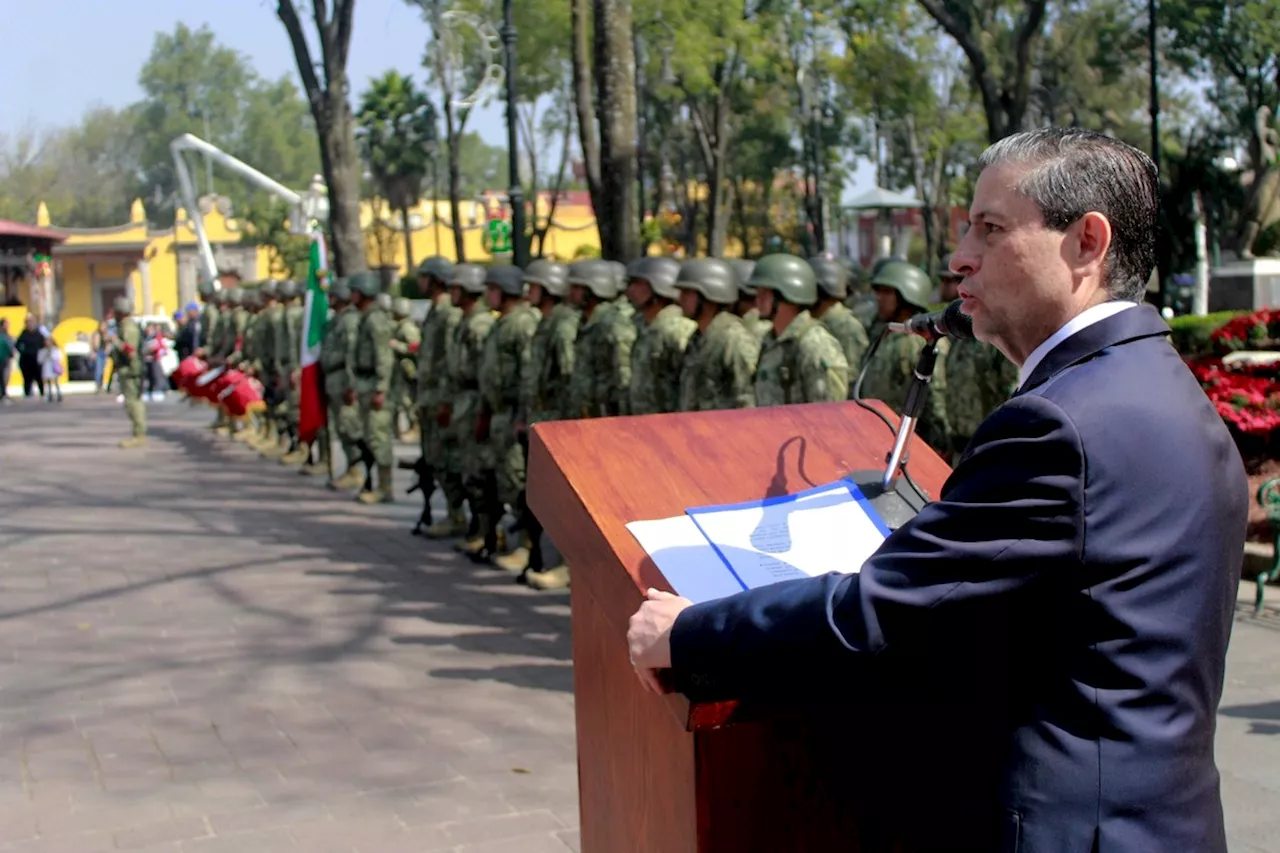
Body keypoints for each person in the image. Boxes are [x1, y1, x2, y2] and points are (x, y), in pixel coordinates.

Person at [627, 128, 1248, 852]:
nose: (959, 258)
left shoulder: (1058, 425)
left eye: (990, 228)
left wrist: (689, 630)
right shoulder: (1165, 387)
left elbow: (876, 610)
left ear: (1088, 242)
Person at [750, 254, 849, 406]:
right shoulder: (770, 340)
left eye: (765, 293)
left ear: (785, 295)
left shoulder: (815, 344)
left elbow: (829, 413)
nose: (757, 299)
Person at [627, 256, 696, 416]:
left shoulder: (678, 329)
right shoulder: (644, 326)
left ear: (659, 286)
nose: (630, 290)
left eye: (638, 283)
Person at [349, 272, 395, 503]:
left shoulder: (375, 320)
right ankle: (375, 483)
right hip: (366, 382)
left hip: (375, 385)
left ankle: (385, 487)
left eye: (354, 291)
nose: (351, 296)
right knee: (369, 436)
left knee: (379, 438)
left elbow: (383, 356)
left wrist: (381, 389)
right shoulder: (365, 317)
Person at [111, 298, 146, 448]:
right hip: (127, 369)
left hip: (131, 370)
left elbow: (130, 350)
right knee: (131, 402)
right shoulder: (124, 326)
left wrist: (115, 341)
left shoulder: (128, 328)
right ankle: (138, 432)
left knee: (133, 403)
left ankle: (139, 434)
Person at [15, 314, 44, 398]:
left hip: (36, 360)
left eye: (32, 322)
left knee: (39, 378)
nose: (30, 324)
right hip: (25, 360)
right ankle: (27, 394)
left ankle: (42, 393)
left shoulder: (38, 334)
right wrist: (23, 351)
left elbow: (43, 344)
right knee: (27, 379)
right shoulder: (23, 334)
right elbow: (17, 345)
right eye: (28, 322)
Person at [38, 336, 64, 403]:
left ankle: (59, 394)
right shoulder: (42, 350)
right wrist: (46, 355)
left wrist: (51, 354)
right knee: (48, 382)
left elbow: (58, 357)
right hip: (47, 368)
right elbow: (39, 360)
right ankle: (49, 394)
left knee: (56, 382)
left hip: (54, 368)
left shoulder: (55, 350)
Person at [0, 318, 14, 403]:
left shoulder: (6, 335)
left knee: (3, 376)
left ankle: (3, 392)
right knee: (2, 376)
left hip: (4, 358)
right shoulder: (3, 336)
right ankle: (3, 393)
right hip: (3, 358)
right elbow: (8, 346)